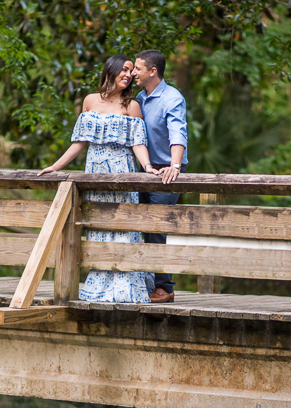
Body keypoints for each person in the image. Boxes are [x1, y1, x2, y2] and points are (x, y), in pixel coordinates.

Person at [38, 54, 158, 303]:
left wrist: (147, 166)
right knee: (98, 225)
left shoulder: (132, 106)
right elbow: (80, 142)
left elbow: (138, 142)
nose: (128, 74)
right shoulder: (90, 101)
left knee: (123, 225)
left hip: (122, 172)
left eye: (130, 71)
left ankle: (127, 286)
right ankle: (100, 284)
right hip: (95, 171)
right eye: (124, 70)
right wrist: (56, 166)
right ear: (110, 70)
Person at [132, 49, 188, 304]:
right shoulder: (139, 99)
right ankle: (144, 282)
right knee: (140, 226)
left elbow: (178, 133)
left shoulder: (172, 98)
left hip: (166, 171)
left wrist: (174, 165)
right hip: (143, 171)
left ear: (152, 72)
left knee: (156, 228)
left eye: (137, 68)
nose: (133, 72)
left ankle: (165, 288)